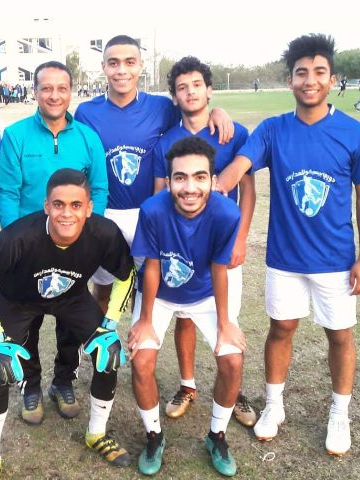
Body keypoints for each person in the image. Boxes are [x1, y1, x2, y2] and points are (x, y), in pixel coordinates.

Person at [217, 33, 360, 457]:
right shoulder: (274, 130)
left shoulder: (354, 132)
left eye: (319, 72)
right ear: (290, 80)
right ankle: (274, 405)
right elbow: (241, 163)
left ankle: (339, 413)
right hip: (285, 259)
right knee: (281, 329)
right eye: (301, 73)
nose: (310, 80)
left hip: (336, 260)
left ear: (333, 80)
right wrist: (217, 186)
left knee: (339, 335)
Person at [0, 168, 136, 478]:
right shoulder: (18, 237)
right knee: (1, 369)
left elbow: (127, 276)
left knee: (107, 352)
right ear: (46, 206)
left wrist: (110, 324)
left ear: (89, 208)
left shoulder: (105, 233)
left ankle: (96, 434)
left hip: (72, 298)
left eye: (76, 205)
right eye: (58, 204)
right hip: (18, 301)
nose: (67, 213)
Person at [74, 34, 234, 315]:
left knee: (144, 284)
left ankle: (140, 329)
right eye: (114, 63)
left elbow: (193, 114)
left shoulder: (161, 107)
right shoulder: (86, 112)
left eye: (129, 62)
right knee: (103, 286)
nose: (122, 70)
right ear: (104, 67)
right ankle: (101, 337)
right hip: (105, 212)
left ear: (141, 66)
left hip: (145, 212)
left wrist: (218, 112)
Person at [0, 60, 108, 425]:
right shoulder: (15, 135)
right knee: (26, 320)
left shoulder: (88, 137)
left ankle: (63, 379)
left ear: (71, 91)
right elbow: (7, 192)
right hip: (27, 251)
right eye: (46, 88)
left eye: (61, 88)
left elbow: (99, 190)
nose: (54, 95)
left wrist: (83, 235)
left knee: (69, 318)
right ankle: (30, 384)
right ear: (35, 92)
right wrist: (16, 243)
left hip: (72, 249)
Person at [130, 137, 246, 476]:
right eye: (180, 177)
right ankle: (154, 436)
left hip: (205, 294)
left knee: (232, 361)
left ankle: (216, 435)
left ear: (213, 180)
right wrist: (145, 320)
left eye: (200, 177)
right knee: (141, 360)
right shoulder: (152, 209)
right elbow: (152, 266)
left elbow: (219, 268)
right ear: (168, 182)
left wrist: (225, 322)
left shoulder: (227, 213)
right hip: (160, 295)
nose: (190, 187)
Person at [151, 56, 257, 429]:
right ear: (174, 97)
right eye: (182, 87)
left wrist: (240, 238)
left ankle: (233, 391)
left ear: (209, 90)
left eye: (197, 85)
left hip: (222, 247)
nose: (191, 92)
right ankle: (187, 384)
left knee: (227, 319)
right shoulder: (166, 142)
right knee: (184, 316)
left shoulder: (232, 133)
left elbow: (248, 192)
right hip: (181, 249)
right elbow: (159, 197)